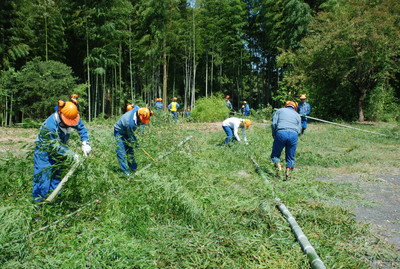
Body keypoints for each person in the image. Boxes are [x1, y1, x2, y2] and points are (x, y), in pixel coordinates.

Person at [32, 98, 91, 202]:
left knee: (56, 178)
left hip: (59, 153)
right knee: (42, 181)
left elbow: (81, 128)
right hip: (44, 152)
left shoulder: (72, 116)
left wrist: (85, 143)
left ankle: (54, 204)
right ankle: (38, 208)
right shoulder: (50, 125)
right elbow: (56, 145)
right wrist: (72, 154)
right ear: (60, 114)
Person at [114, 107, 153, 176]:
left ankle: (133, 169)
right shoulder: (129, 123)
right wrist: (137, 145)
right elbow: (131, 137)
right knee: (121, 152)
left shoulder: (139, 109)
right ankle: (126, 173)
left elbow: (136, 106)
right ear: (139, 116)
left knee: (130, 152)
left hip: (128, 131)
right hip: (119, 132)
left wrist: (150, 112)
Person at [270, 101, 301, 181]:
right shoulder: (297, 115)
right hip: (293, 134)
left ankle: (279, 168)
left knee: (275, 155)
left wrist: (274, 134)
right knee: (290, 157)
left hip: (281, 132)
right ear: (294, 107)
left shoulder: (279, 111)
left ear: (286, 106)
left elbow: (274, 124)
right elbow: (299, 129)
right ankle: (287, 173)